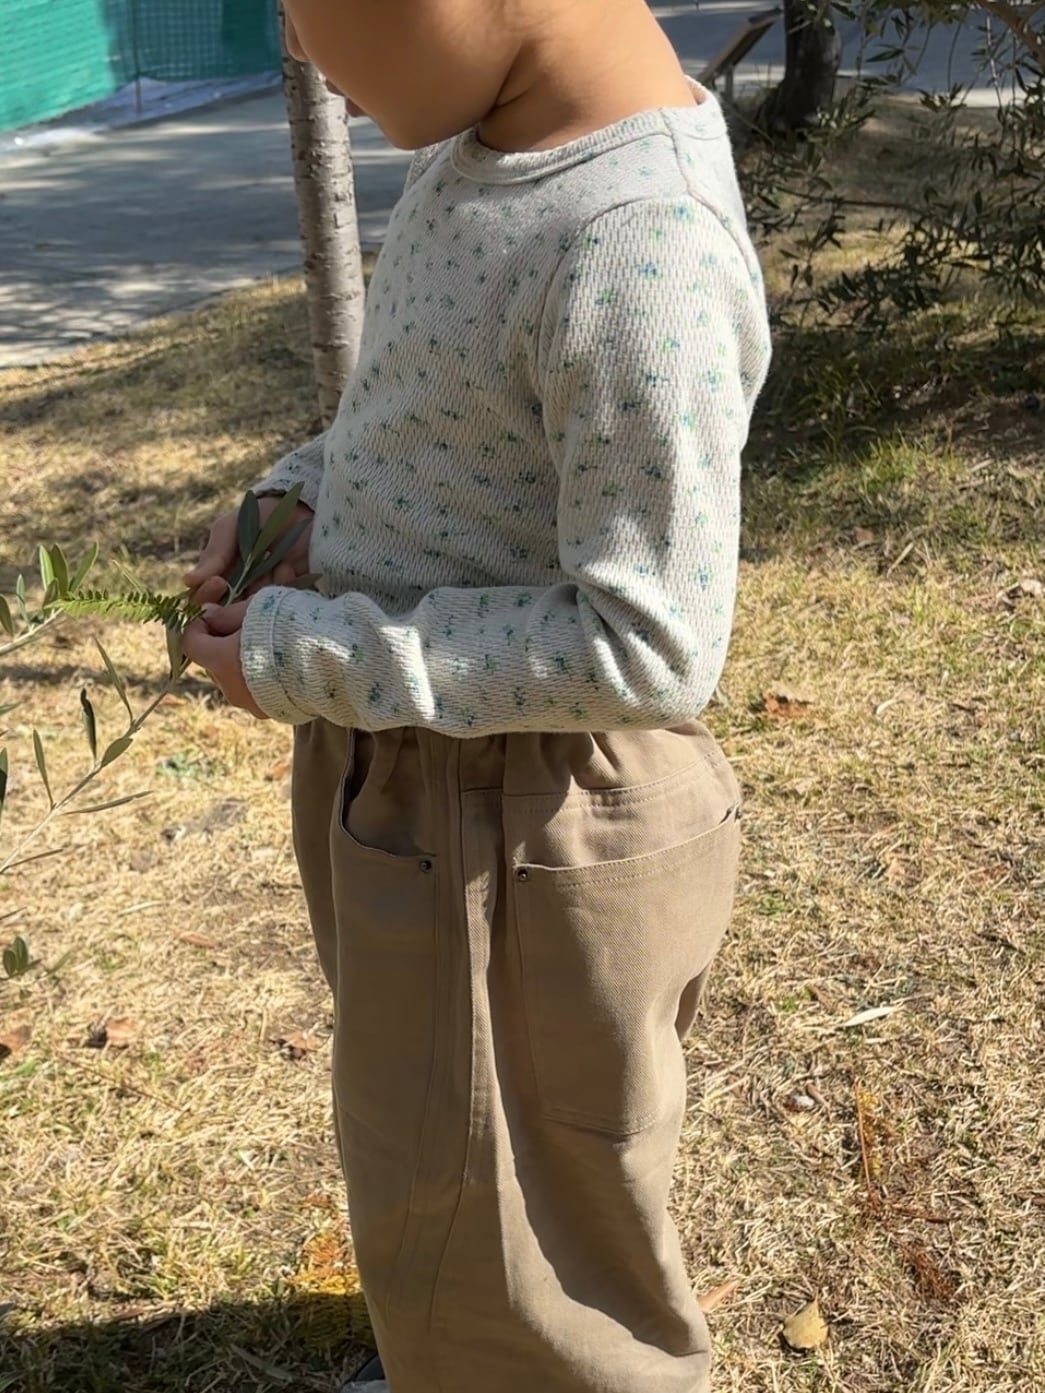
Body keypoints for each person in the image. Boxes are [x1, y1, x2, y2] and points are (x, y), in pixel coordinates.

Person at [183, 2, 771, 1389]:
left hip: (519, 814)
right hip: (425, 782)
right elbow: (424, 411)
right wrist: (300, 497)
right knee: (428, 1139)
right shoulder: (485, 148)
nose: (302, 51)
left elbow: (647, 644)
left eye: (308, 6)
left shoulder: (635, 243)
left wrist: (301, 656)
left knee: (521, 1189)